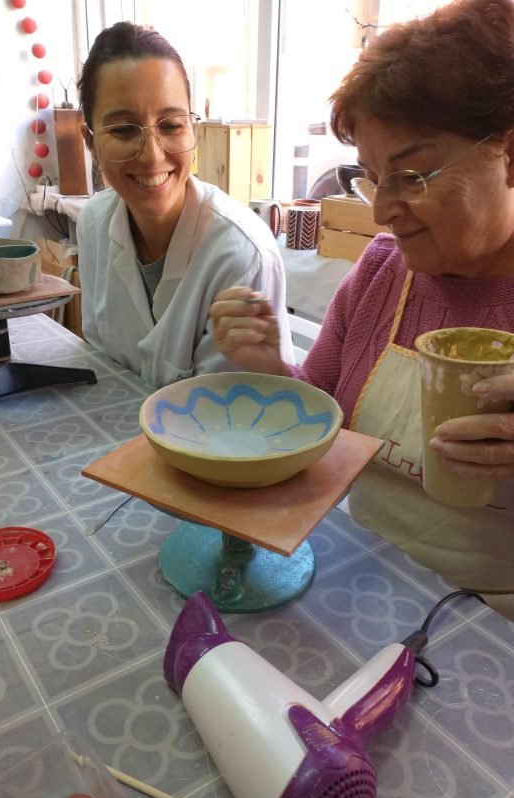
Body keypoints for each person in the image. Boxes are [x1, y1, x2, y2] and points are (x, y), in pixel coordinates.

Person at [211, 0, 514, 619]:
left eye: (413, 175)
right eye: (374, 177)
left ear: (508, 154)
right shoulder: (381, 272)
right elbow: (314, 423)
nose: (381, 214)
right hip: (359, 576)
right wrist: (270, 365)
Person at [76, 21, 292, 388]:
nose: (152, 156)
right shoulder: (94, 223)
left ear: (194, 130)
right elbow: (104, 367)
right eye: (124, 130)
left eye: (171, 125)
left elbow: (229, 417)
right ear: (90, 141)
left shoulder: (241, 255)